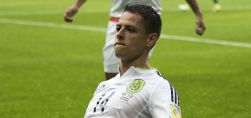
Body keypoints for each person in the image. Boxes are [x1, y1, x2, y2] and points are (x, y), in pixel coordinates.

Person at [0, 4, 190, 118]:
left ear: (150, 39)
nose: (120, 33)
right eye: (118, 27)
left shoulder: (157, 85)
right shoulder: (105, 86)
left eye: (130, 29)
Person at [64, 0, 206, 80]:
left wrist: (198, 14)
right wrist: (76, 6)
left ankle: (141, 116)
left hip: (148, 19)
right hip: (119, 18)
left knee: (133, 68)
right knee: (113, 74)